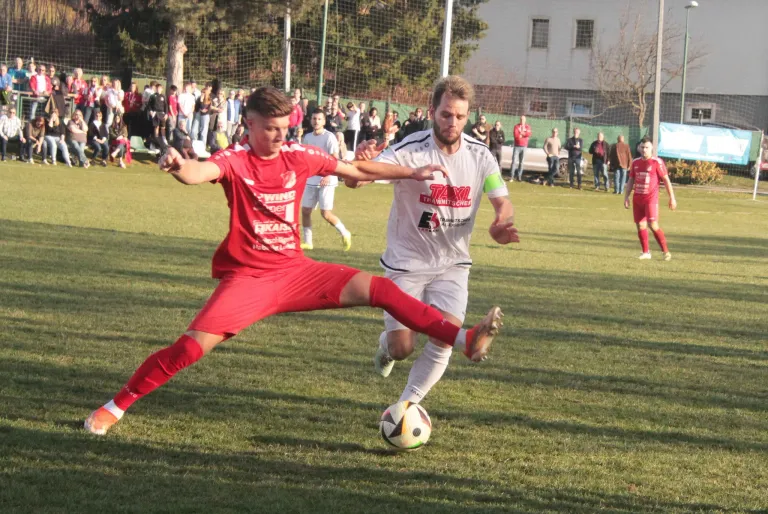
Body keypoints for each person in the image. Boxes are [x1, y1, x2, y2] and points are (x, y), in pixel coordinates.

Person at [83, 86, 503, 436]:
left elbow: (352, 172)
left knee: (380, 289)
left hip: (297, 272)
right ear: (248, 125)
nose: (281, 136)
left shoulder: (298, 155)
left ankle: (463, 340)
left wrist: (406, 173)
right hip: (249, 280)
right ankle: (114, 407)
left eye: (286, 128)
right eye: (271, 129)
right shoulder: (235, 160)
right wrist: (178, 166)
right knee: (189, 349)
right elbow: (199, 172)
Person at [349, 75, 516, 405]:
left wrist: (502, 222)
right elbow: (359, 180)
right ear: (432, 111)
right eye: (446, 114)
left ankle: (405, 407)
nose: (453, 123)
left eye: (460, 116)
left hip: (452, 265)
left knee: (443, 339)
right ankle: (387, 347)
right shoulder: (409, 151)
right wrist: (360, 160)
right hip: (405, 264)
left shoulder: (481, 156)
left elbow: (503, 200)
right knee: (402, 348)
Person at [299, 108, 352, 251]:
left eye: (319, 119)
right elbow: (304, 157)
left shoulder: (329, 137)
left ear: (324, 121)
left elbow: (334, 158)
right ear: (311, 120)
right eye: (314, 119)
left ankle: (345, 232)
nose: (316, 121)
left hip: (326, 180)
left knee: (326, 214)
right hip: (311, 179)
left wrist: (329, 175)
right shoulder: (308, 137)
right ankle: (308, 242)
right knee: (305, 211)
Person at [624, 138, 677, 261]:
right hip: (637, 198)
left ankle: (665, 251)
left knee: (653, 225)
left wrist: (672, 198)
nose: (644, 150)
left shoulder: (657, 162)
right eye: (642, 147)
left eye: (647, 147)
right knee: (640, 225)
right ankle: (646, 252)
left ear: (651, 148)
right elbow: (631, 180)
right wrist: (626, 197)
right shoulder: (635, 162)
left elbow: (666, 180)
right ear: (639, 148)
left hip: (651, 199)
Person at [512, 116, 532, 182]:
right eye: (521, 119)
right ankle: (512, 176)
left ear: (525, 120)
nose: (522, 120)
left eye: (523, 119)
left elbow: (529, 134)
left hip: (524, 146)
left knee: (521, 162)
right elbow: (515, 135)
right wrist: (521, 135)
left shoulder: (527, 127)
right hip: (517, 146)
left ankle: (519, 176)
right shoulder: (516, 126)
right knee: (514, 161)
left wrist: (521, 134)